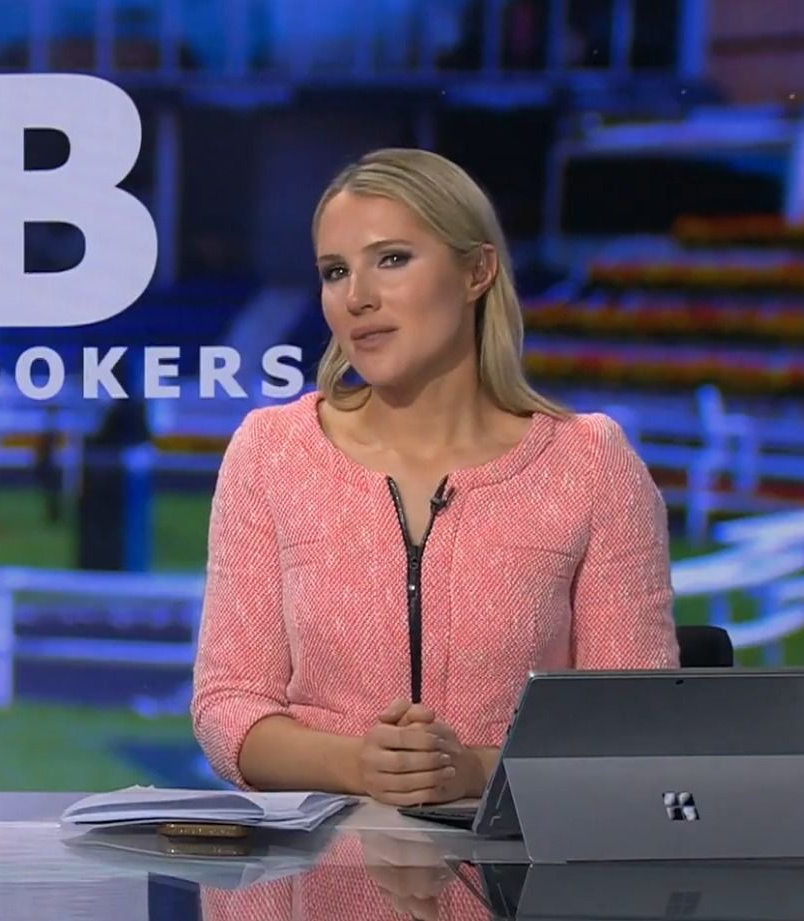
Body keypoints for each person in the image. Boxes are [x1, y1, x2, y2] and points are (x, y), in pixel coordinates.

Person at [191, 147, 679, 806]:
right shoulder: (271, 451)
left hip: (519, 863)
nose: (357, 298)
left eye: (392, 259)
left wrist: (475, 771)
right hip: (320, 860)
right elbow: (229, 706)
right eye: (336, 271)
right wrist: (357, 764)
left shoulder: (590, 462)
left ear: (477, 271)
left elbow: (633, 722)